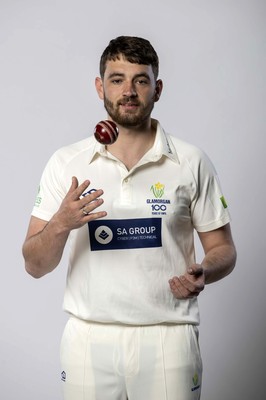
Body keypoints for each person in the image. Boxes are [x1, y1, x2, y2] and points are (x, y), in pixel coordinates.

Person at [22, 36, 237, 400]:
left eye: (141, 79)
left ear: (158, 89)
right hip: (89, 339)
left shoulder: (190, 161)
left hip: (169, 337)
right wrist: (61, 223)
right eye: (117, 78)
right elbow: (34, 265)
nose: (129, 91)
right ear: (99, 86)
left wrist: (206, 271)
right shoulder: (66, 162)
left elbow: (223, 249)